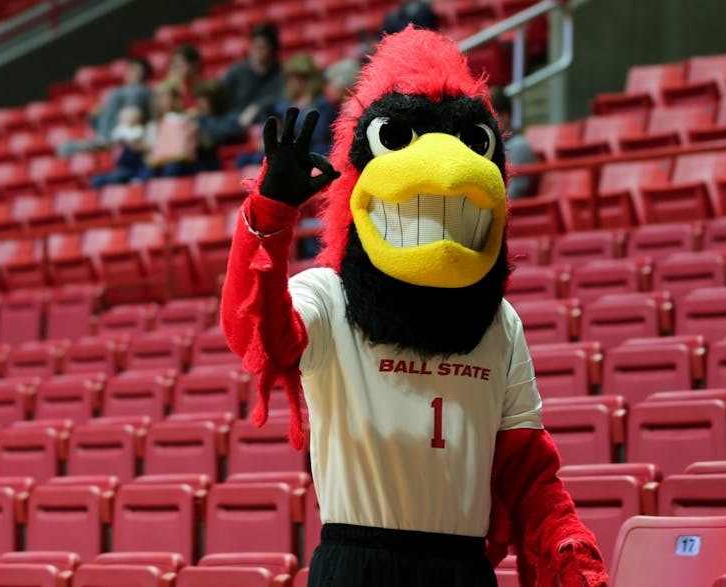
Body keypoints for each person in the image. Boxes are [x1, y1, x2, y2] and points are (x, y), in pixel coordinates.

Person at [220, 27, 608, 587]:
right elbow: (256, 333)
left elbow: (526, 468)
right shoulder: (328, 295)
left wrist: (568, 547)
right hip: (357, 563)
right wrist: (270, 214)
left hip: (463, 568)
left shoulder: (500, 323)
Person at [58, 57, 154, 157]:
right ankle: (103, 142)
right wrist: (94, 117)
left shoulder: (145, 92)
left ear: (145, 75)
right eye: (132, 70)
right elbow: (97, 126)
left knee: (132, 92)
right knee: (65, 148)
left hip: (133, 137)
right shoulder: (116, 93)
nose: (135, 74)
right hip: (109, 138)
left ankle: (105, 142)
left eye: (139, 71)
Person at [222, 22, 284, 129]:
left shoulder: (282, 73)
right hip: (237, 124)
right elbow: (220, 96)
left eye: (262, 47)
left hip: (270, 125)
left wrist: (257, 107)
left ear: (273, 49)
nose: (258, 51)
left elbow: (284, 98)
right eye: (255, 46)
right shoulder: (236, 72)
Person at [490, 86, 539, 199]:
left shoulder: (519, 146)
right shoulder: (488, 146)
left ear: (506, 116)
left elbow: (513, 196)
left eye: (491, 116)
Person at [89, 105, 148, 187]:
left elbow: (144, 150)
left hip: (134, 169)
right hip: (120, 168)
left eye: (127, 118)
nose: (123, 121)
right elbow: (113, 153)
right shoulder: (119, 133)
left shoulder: (140, 132)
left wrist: (129, 143)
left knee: (119, 176)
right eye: (122, 119)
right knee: (96, 180)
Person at [160, 45, 203, 116]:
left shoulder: (204, 86)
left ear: (195, 65)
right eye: (173, 64)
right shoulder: (169, 88)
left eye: (181, 64)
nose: (175, 69)